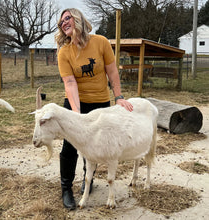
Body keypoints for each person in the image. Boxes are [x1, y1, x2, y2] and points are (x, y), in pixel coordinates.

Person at [55, 8, 133, 210]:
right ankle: (66, 188)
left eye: (67, 18)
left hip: (100, 103)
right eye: (61, 22)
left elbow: (112, 72)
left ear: (78, 18)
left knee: (94, 145)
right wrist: (76, 115)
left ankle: (86, 181)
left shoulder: (101, 42)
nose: (64, 23)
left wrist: (119, 97)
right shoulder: (64, 52)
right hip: (75, 103)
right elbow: (70, 83)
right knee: (71, 145)